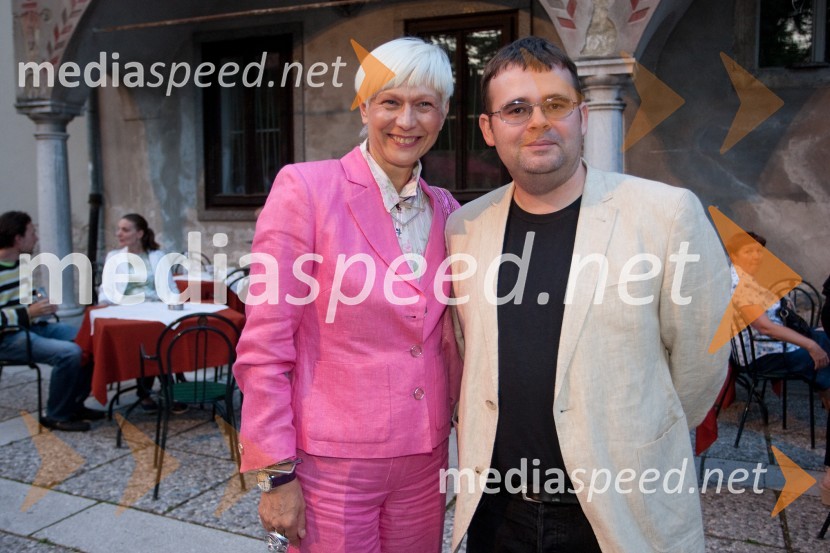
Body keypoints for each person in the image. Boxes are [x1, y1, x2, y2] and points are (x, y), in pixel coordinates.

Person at [445, 37, 730, 552]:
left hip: (615, 514)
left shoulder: (665, 215)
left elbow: (701, 363)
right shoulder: (465, 227)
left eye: (555, 104)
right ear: (488, 129)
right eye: (516, 109)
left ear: (582, 117)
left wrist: (635, 433)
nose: (537, 121)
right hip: (496, 513)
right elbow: (470, 352)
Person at [233, 37, 461, 553]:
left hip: (425, 460)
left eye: (424, 104)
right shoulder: (305, 190)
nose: (407, 120)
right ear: (364, 108)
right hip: (331, 465)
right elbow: (265, 344)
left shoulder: (449, 210)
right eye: (391, 102)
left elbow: (454, 337)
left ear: (443, 114)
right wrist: (275, 474)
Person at [728, 231, 830, 506]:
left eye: (760, 251)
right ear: (734, 255)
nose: (757, 256)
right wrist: (810, 344)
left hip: (774, 345)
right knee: (821, 350)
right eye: (750, 251)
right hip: (763, 354)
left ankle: (825, 391)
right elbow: (765, 326)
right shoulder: (739, 283)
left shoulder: (754, 279)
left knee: (827, 341)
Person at [0, 210, 103, 431]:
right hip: (7, 338)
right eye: (32, 232)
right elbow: (23, 311)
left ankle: (74, 404)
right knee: (69, 353)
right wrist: (29, 312)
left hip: (35, 326)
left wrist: (43, 303)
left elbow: (28, 299)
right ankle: (57, 414)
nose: (36, 238)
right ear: (18, 239)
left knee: (92, 340)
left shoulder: (22, 264)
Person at [98, 213, 185, 414]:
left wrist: (174, 302)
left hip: (155, 309)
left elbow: (170, 288)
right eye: (118, 229)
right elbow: (106, 288)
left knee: (161, 336)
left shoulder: (157, 256)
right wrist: (103, 303)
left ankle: (157, 389)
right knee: (144, 339)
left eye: (125, 229)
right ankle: (156, 389)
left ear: (139, 233)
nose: (119, 233)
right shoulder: (114, 257)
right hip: (127, 311)